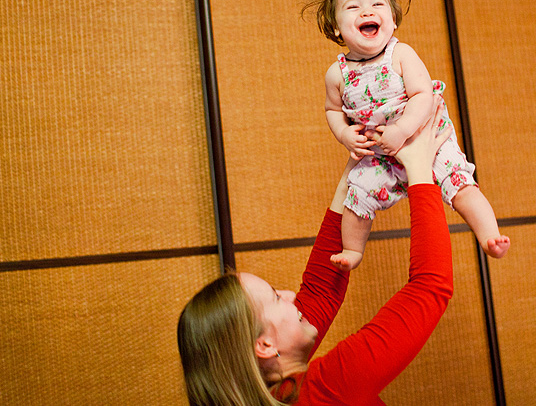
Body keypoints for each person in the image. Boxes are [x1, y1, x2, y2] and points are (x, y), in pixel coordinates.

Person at [177, 100, 456, 405]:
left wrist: (356, 169)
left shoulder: (282, 392)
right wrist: (419, 168)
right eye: (275, 297)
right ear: (265, 345)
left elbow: (320, 292)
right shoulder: (329, 387)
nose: (290, 295)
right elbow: (431, 286)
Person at [304, 0, 510, 270]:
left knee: (460, 184)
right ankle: (353, 250)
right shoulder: (337, 74)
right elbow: (332, 110)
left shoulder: (401, 55)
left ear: (393, 19)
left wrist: (401, 130)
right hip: (379, 153)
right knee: (357, 196)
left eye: (377, 4)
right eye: (353, 7)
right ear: (335, 27)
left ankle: (489, 236)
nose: (367, 11)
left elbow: (422, 94)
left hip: (425, 139)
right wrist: (344, 134)